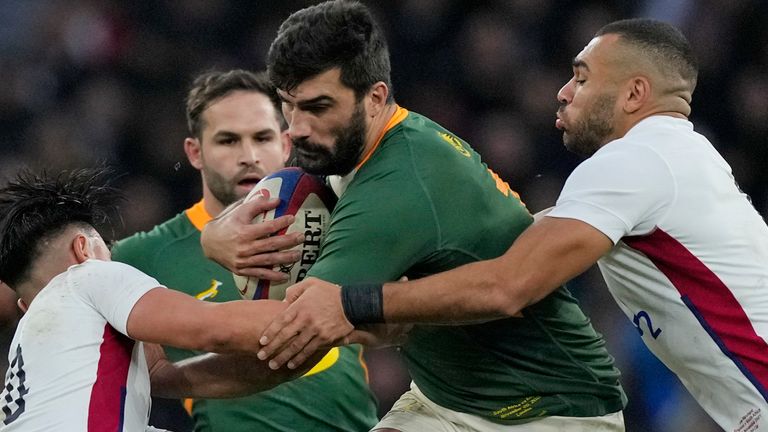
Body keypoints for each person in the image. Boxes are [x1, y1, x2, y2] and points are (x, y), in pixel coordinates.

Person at [258, 17, 768, 432]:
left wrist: (353, 301)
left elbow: (508, 285)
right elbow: (507, 239)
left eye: (583, 78)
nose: (564, 92)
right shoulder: (677, 158)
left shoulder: (634, 162)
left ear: (635, 93)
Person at [201, 2, 627, 431]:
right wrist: (214, 235)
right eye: (288, 105)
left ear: (375, 98)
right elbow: (375, 323)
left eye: (317, 107)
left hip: (553, 409)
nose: (296, 128)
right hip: (447, 398)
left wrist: (160, 359)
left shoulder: (396, 186)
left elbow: (293, 339)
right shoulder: (349, 146)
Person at [111, 69, 379, 432]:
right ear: (195, 152)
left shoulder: (341, 219)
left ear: (286, 144)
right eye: (228, 141)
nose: (249, 155)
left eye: (262, 137)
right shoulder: (143, 256)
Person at [0, 167, 324, 431]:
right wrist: (342, 305)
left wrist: (288, 357)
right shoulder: (87, 275)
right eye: (108, 253)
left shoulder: (35, 379)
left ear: (26, 307)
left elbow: (164, 374)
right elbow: (216, 330)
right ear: (83, 250)